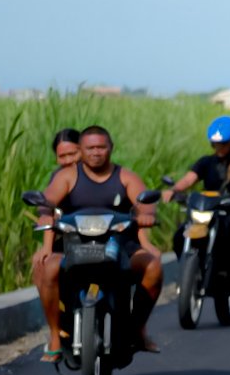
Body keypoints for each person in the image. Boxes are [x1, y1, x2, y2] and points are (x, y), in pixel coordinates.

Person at [38, 125, 164, 356]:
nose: (96, 152)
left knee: (153, 267)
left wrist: (147, 214)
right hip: (73, 244)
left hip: (120, 245)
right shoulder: (68, 176)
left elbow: (144, 200)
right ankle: (55, 335)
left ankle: (137, 330)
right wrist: (45, 212)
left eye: (101, 147)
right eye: (90, 148)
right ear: (81, 150)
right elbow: (49, 200)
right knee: (48, 268)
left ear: (111, 148)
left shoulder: (125, 176)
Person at [164, 115, 230, 292]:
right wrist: (174, 190)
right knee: (179, 236)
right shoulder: (206, 162)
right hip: (208, 209)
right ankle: (188, 270)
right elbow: (189, 179)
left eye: (224, 144)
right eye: (216, 144)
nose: (220, 148)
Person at [32, 129, 83, 361]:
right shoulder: (59, 178)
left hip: (104, 238)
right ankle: (54, 331)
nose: (68, 160)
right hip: (67, 239)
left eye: (73, 154)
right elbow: (48, 211)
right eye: (62, 156)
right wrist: (46, 249)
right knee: (42, 266)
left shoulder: (102, 174)